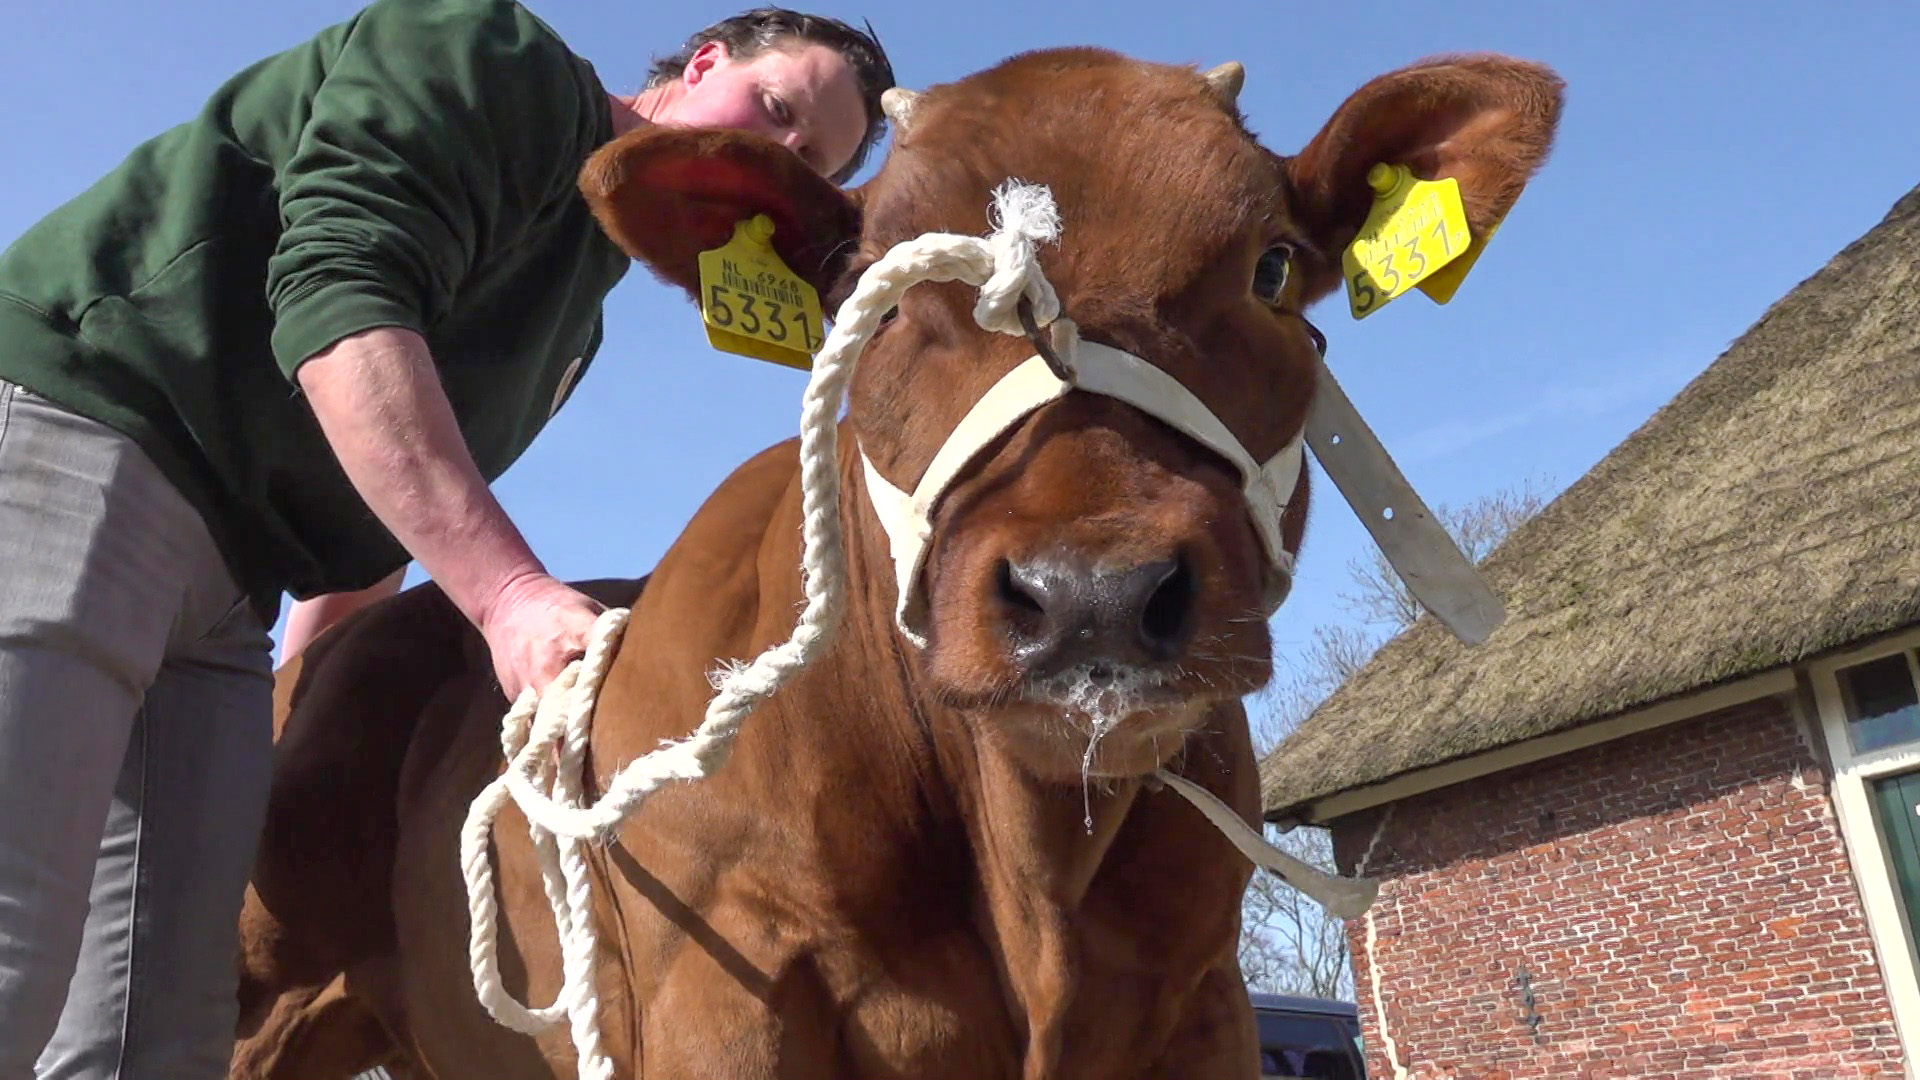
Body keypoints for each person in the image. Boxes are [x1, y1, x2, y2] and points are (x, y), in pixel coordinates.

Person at [0, 0, 893, 1075]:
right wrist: (510, 594)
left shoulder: (575, 318)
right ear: (703, 63)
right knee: (14, 943)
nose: (777, 155)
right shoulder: (489, 53)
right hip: (88, 435)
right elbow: (340, 295)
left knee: (158, 1030)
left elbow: (381, 504)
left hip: (233, 589)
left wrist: (297, 707)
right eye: (775, 106)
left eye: (809, 161)